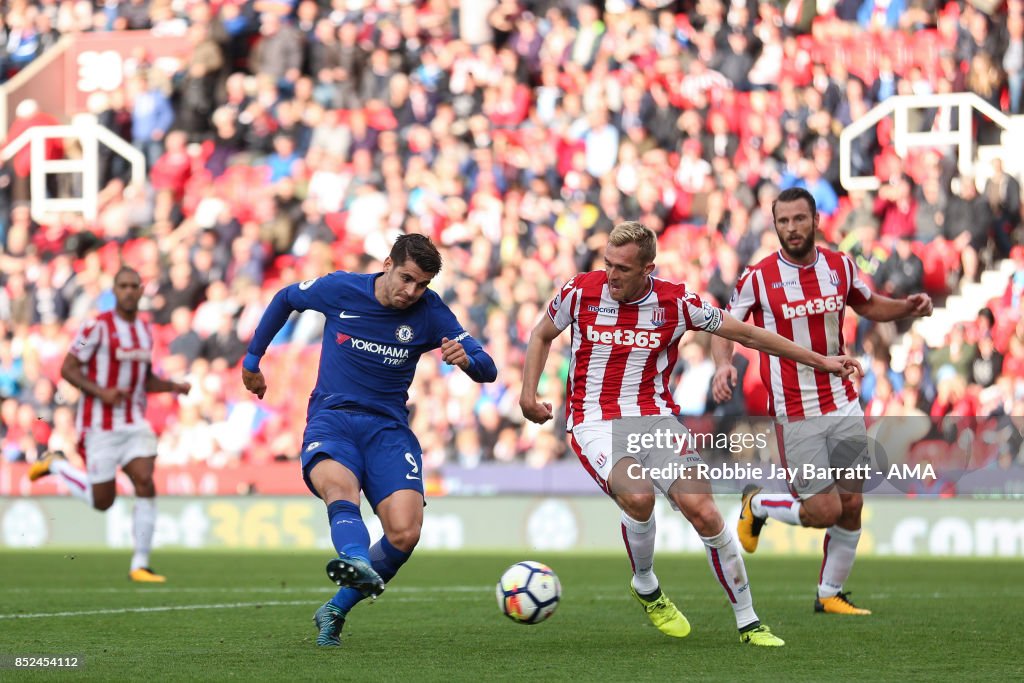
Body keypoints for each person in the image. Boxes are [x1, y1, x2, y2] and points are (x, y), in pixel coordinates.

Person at [520, 221, 862, 647]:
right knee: (640, 496)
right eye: (608, 264)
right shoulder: (580, 290)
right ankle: (645, 584)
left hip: (656, 419)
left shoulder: (676, 301)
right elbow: (540, 335)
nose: (611, 276)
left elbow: (747, 333)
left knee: (704, 511)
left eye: (623, 268)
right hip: (595, 421)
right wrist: (527, 395)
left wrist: (821, 360)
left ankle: (749, 622)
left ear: (649, 268)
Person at [241, 234, 496, 647]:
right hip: (333, 420)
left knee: (404, 533)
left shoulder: (431, 313)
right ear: (387, 264)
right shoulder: (342, 289)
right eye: (407, 278)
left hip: (388, 431)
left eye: (422, 285)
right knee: (341, 489)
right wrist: (252, 359)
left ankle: (335, 608)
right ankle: (356, 560)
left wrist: (468, 361)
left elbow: (489, 368)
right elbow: (286, 298)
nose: (412, 292)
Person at [710, 187, 932, 616]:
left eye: (799, 219)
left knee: (852, 503)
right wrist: (724, 366)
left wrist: (908, 306)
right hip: (796, 413)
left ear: (815, 220)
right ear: (775, 225)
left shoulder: (838, 266)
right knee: (823, 510)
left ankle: (830, 592)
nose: (791, 228)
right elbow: (724, 327)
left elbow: (868, 305)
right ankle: (756, 503)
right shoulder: (758, 277)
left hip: (844, 402)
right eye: (783, 221)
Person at [29, 266, 191, 582]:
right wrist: (102, 392)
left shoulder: (145, 331)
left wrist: (172, 386)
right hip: (99, 424)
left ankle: (140, 564)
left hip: (133, 422)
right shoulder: (97, 328)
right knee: (103, 501)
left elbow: (143, 379)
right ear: (114, 291)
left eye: (135, 285)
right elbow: (68, 368)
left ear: (141, 291)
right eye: (123, 285)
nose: (129, 290)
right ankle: (57, 465)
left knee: (145, 479)